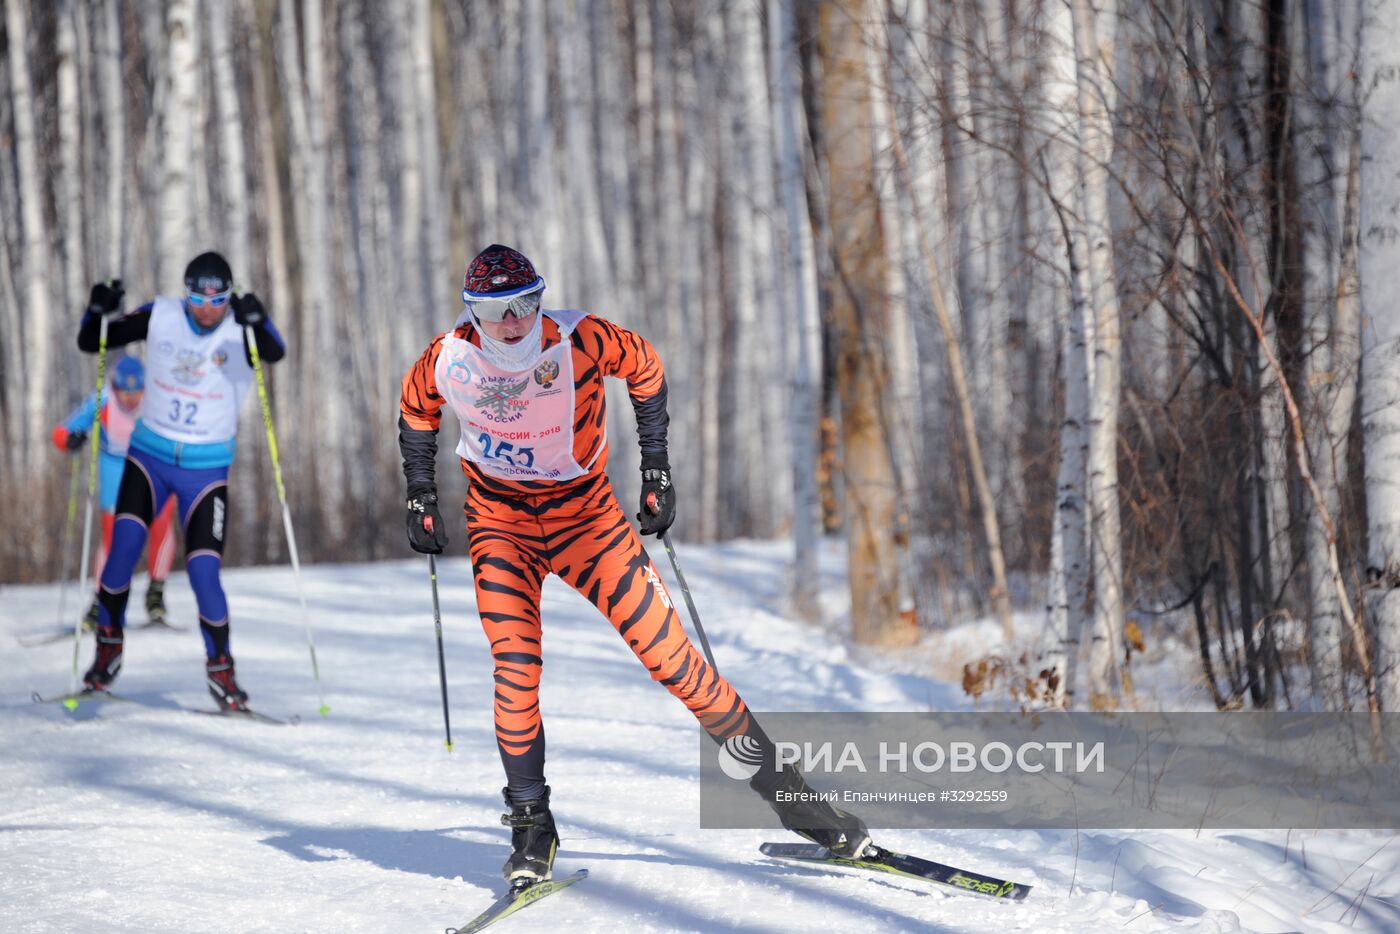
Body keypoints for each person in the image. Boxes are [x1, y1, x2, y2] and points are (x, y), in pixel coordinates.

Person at [399, 244, 869, 890]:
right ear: (471, 313)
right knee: (514, 668)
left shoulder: (583, 338)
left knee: (675, 662)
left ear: (540, 299)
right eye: (492, 310)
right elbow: (415, 407)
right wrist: (420, 490)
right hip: (501, 525)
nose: (510, 322)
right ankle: (532, 823)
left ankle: (795, 799)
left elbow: (646, 368)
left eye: (524, 305)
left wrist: (656, 467)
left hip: (585, 521)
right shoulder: (449, 356)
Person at [76, 252, 286, 711]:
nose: (206, 308)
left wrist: (261, 318)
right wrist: (97, 309)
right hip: (148, 458)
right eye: (196, 296)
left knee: (203, 573)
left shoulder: (239, 327)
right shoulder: (163, 315)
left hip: (205, 471)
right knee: (122, 555)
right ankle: (107, 651)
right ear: (185, 292)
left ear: (229, 296)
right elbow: (93, 342)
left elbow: (275, 352)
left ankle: (222, 672)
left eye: (218, 299)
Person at [52, 355, 178, 629]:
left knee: (161, 526)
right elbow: (63, 431)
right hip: (115, 472)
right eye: (125, 392)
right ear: (115, 386)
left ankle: (155, 595)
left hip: (153, 469)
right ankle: (101, 603)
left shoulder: (159, 398)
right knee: (114, 538)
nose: (131, 399)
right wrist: (71, 438)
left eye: (137, 392)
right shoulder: (103, 399)